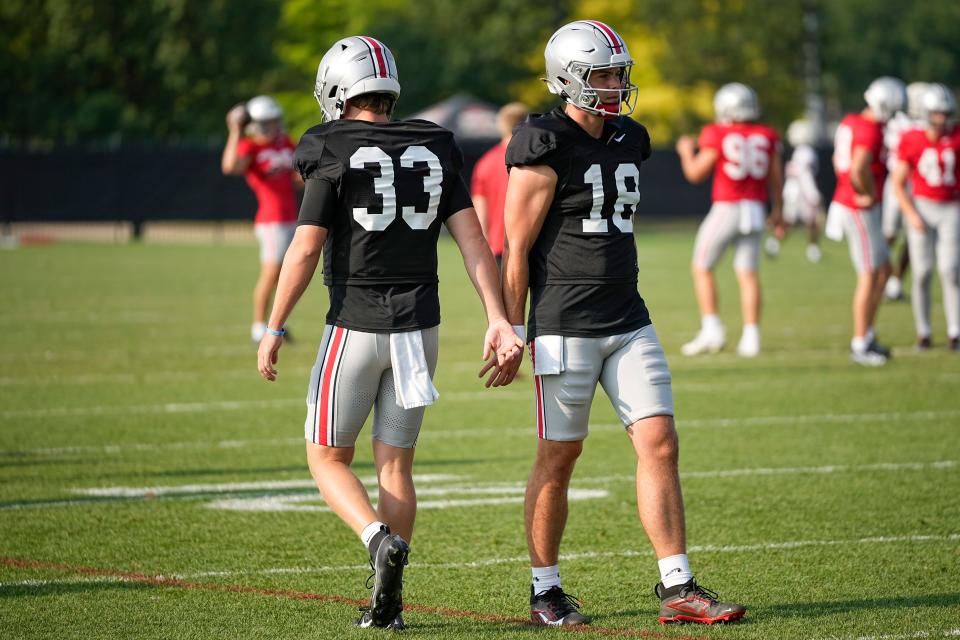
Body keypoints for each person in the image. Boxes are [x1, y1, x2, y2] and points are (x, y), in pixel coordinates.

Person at [256, 36, 523, 630]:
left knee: (326, 456)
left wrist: (275, 324)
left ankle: (377, 539)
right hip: (421, 328)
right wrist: (499, 317)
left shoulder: (327, 145)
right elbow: (474, 240)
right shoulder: (435, 142)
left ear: (335, 89)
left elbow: (305, 246)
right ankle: (391, 604)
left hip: (354, 324)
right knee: (395, 467)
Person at [501, 20, 746, 626]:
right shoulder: (541, 141)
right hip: (563, 322)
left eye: (618, 73)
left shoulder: (629, 137)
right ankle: (545, 589)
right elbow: (515, 246)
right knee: (560, 455)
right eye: (601, 75)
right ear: (567, 79)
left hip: (629, 318)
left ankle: (678, 585)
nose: (615, 85)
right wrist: (508, 327)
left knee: (660, 442)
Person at [676, 83, 783, 358]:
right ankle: (752, 336)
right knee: (748, 274)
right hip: (756, 209)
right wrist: (779, 211)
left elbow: (695, 174)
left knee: (701, 266)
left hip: (728, 207)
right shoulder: (766, 135)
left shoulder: (717, 133)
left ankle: (712, 329)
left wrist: (686, 151)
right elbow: (776, 178)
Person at [825, 76, 906, 366]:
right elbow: (859, 168)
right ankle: (859, 343)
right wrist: (869, 194)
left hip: (850, 201)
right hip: (856, 206)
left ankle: (868, 333)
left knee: (884, 269)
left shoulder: (852, 121)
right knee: (870, 274)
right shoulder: (870, 129)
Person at [221, 95, 302, 344]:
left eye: (274, 120)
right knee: (271, 273)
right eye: (267, 122)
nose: (273, 126)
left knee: (287, 273)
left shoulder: (285, 142)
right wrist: (234, 131)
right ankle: (258, 325)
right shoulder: (250, 146)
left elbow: (297, 178)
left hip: (291, 216)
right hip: (271, 221)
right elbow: (230, 167)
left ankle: (279, 322)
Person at [890, 83, 960, 351]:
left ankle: (955, 331)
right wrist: (911, 214)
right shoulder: (912, 138)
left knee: (950, 270)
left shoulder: (957, 137)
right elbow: (898, 181)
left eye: (946, 113)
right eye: (937, 113)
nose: (943, 119)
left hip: (951, 207)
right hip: (921, 206)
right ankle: (924, 332)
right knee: (922, 272)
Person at [883, 82, 929, 301]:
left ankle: (895, 281)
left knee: (914, 235)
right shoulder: (897, 123)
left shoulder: (930, 125)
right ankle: (880, 277)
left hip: (920, 184)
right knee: (888, 234)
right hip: (897, 181)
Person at [471, 102, 530, 268]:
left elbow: (480, 210)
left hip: (498, 246)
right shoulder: (536, 160)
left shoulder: (485, 163)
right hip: (534, 243)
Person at [779, 119, 824, 263]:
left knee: (789, 220)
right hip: (802, 192)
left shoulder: (798, 152)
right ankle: (813, 248)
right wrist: (812, 194)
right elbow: (805, 175)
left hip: (791, 191)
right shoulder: (806, 152)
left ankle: (774, 244)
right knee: (811, 221)